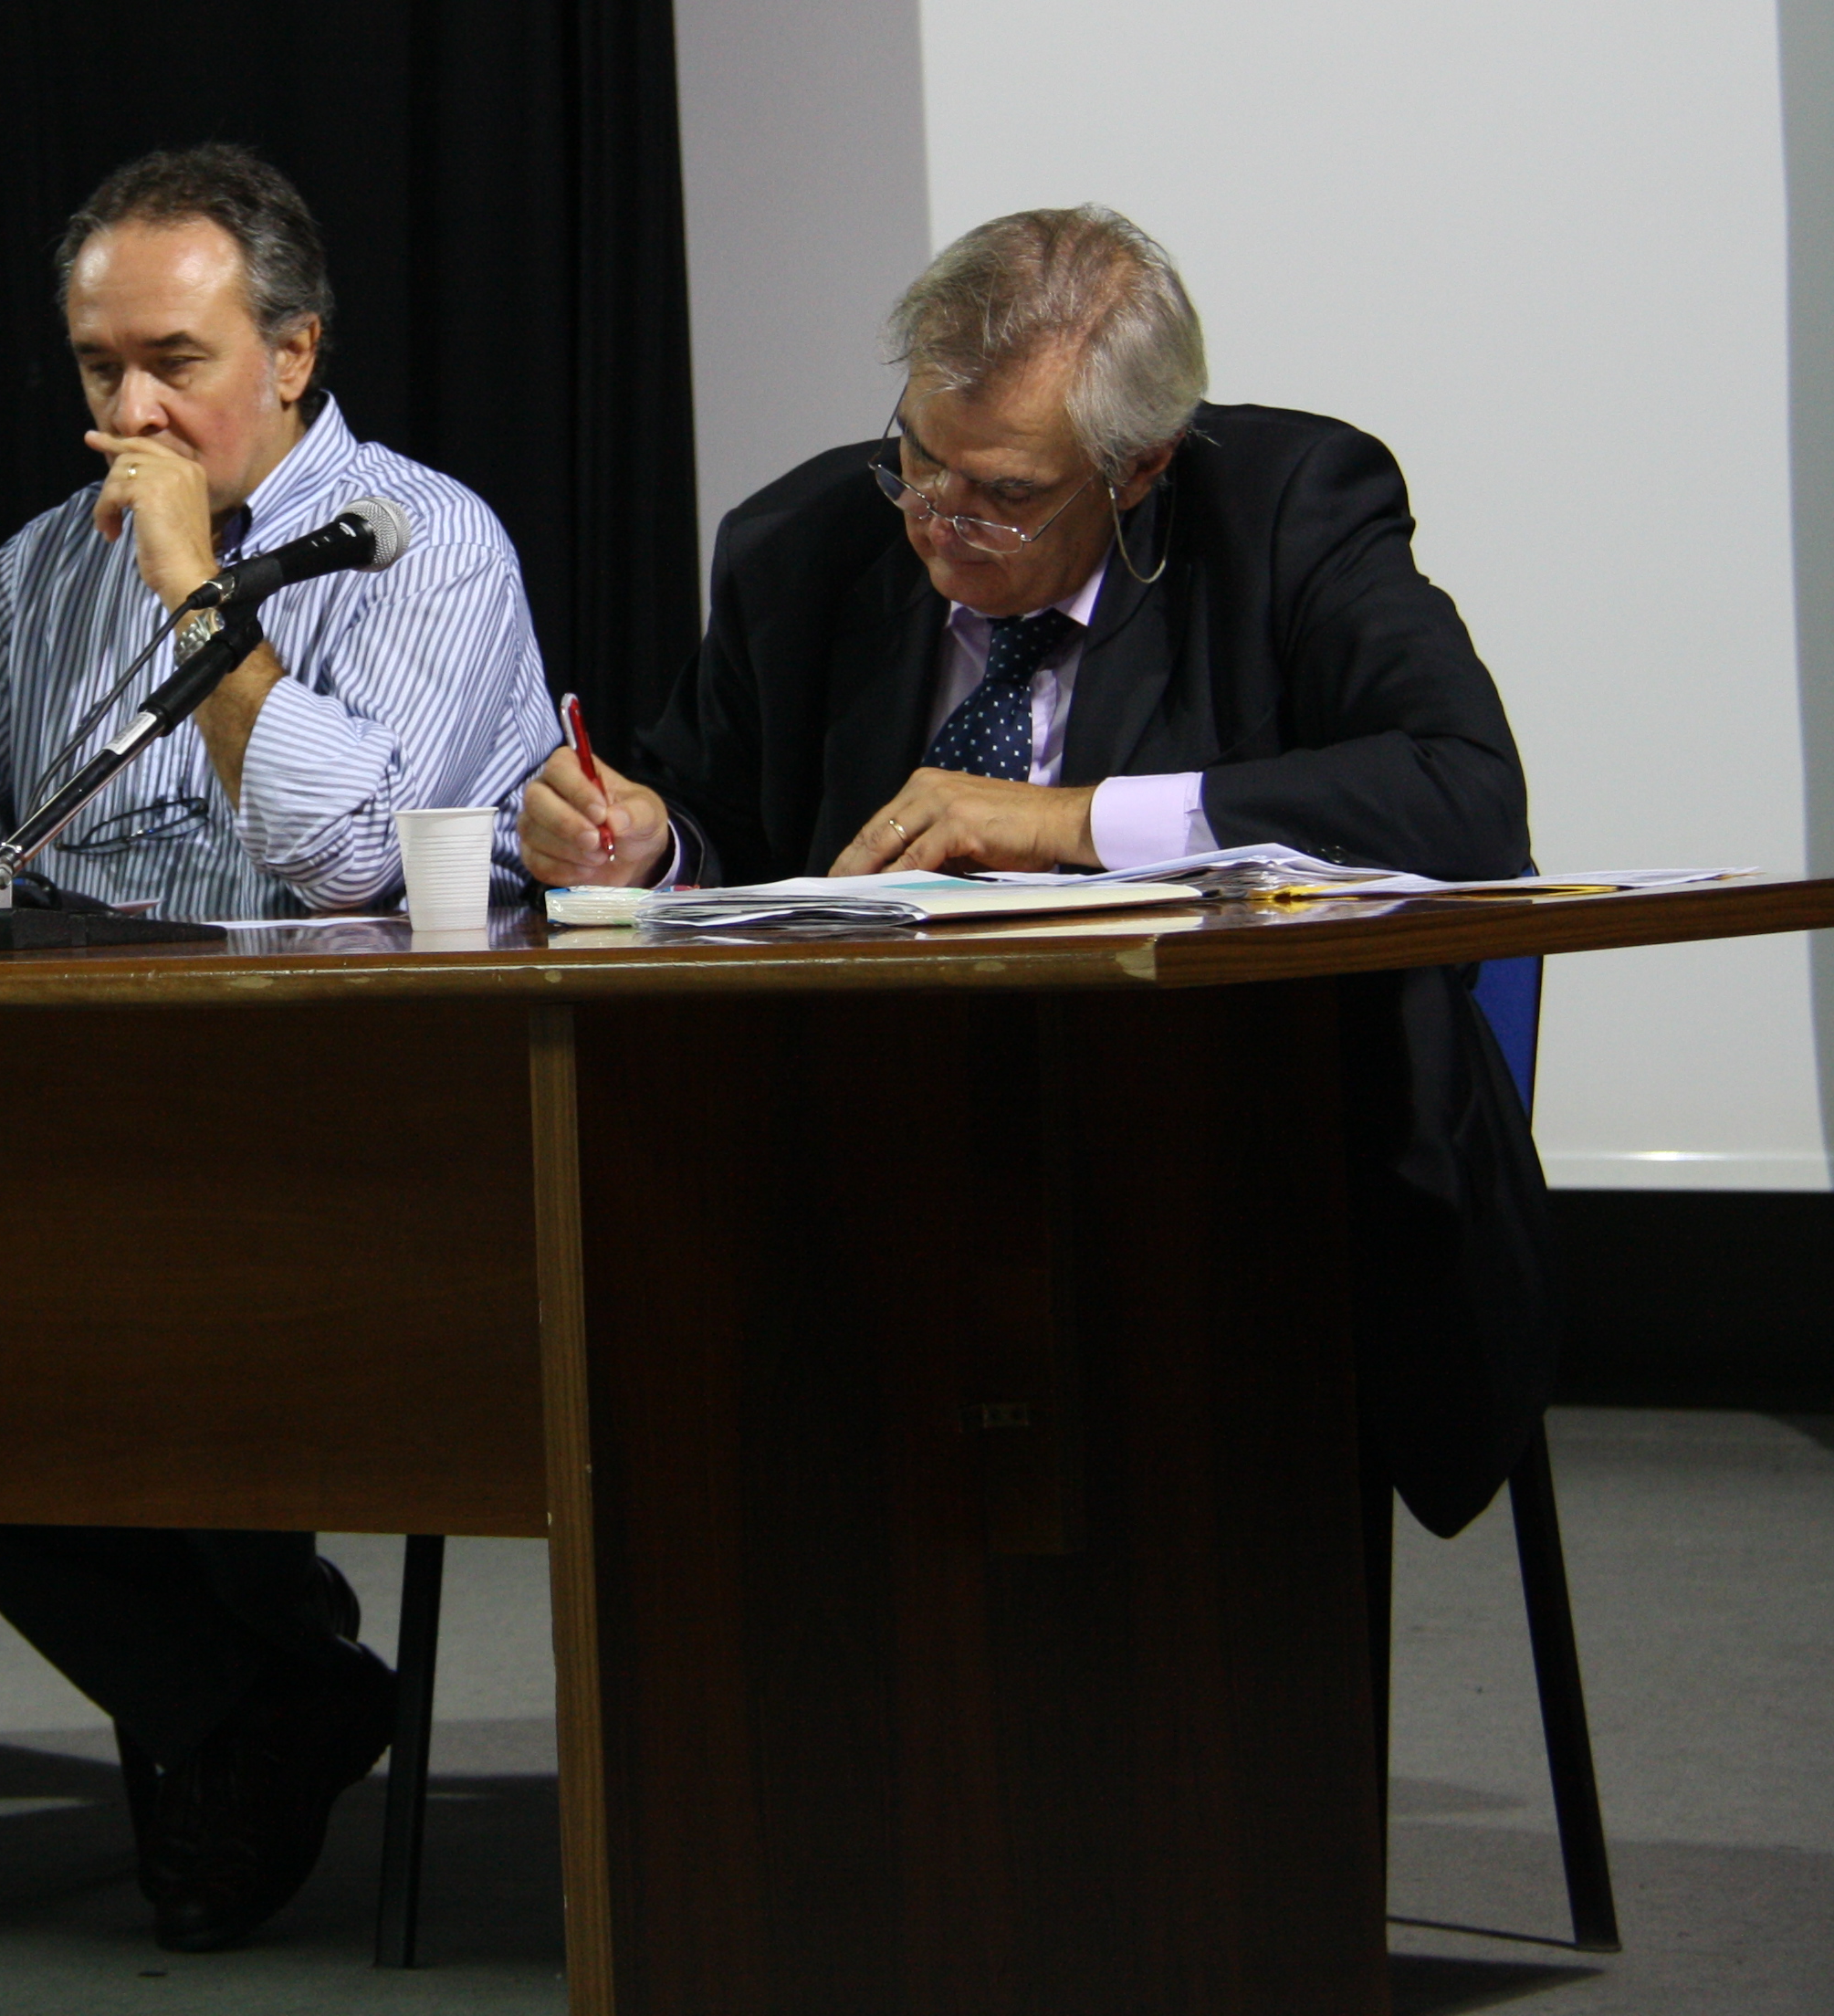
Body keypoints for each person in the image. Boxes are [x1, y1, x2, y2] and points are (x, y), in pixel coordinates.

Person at [0, 143, 563, 1953]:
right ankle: (258, 1697)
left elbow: (347, 853)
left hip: (346, 1126)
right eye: (100, 369)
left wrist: (196, 590)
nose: (132, 412)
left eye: (175, 361)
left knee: (122, 1305)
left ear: (295, 353)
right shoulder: (38, 569)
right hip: (71, 1102)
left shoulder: (424, 540)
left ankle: (247, 1705)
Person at [522, 203, 1551, 1538]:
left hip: (1231, 1163)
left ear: (1140, 468)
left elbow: (1464, 795)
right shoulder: (803, 544)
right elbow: (715, 818)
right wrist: (644, 841)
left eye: (1005, 495)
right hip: (859, 1151)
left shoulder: (1287, 513)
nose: (939, 522)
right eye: (918, 460)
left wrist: (1069, 822)